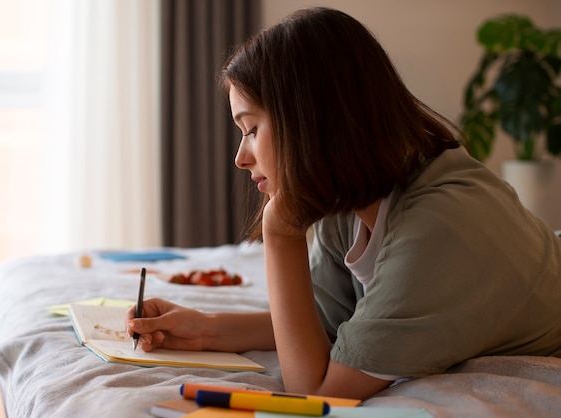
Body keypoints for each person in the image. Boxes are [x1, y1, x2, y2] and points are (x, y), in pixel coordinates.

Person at [127, 7, 561, 400]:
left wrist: (280, 234)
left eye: (252, 129)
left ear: (310, 124)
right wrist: (205, 330)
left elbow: (315, 390)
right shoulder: (354, 201)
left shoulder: (437, 234)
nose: (241, 157)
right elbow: (324, 324)